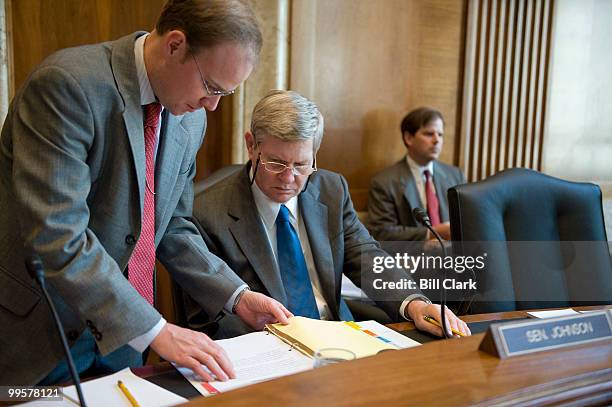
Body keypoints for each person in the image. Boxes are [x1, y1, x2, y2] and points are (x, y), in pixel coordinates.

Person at [0, 0, 292, 386]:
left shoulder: (191, 121)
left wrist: (235, 295)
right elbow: (58, 234)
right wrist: (156, 330)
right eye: (210, 86)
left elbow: (171, 224)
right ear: (175, 45)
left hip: (123, 343)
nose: (213, 105)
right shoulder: (67, 85)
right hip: (37, 336)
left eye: (227, 93)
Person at [182, 90, 470, 339]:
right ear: (251, 145)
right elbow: (209, 318)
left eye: (301, 164)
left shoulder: (331, 189)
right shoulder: (207, 212)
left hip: (338, 335)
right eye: (276, 162)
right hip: (266, 347)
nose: (288, 178)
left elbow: (367, 256)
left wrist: (415, 303)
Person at [367, 107, 466, 242]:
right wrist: (431, 234)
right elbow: (382, 232)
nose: (437, 140)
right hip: (412, 259)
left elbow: (467, 221)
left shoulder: (456, 175)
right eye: (429, 134)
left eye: (440, 134)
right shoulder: (384, 182)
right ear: (408, 138)